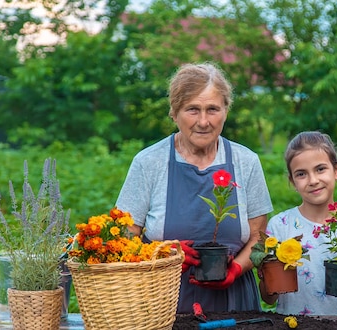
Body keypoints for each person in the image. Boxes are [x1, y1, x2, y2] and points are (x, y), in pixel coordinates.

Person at [115, 62, 273, 313]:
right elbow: (124, 237)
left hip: (235, 303)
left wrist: (235, 269)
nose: (203, 121)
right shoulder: (149, 163)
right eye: (192, 109)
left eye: (212, 109)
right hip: (161, 303)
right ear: (174, 112)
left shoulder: (246, 162)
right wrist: (161, 253)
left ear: (225, 111)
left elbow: (259, 237)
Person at [258, 131, 337, 316]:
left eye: (320, 169)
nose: (313, 180)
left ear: (336, 170)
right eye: (301, 174)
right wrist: (265, 274)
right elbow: (269, 299)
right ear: (292, 181)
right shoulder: (280, 226)